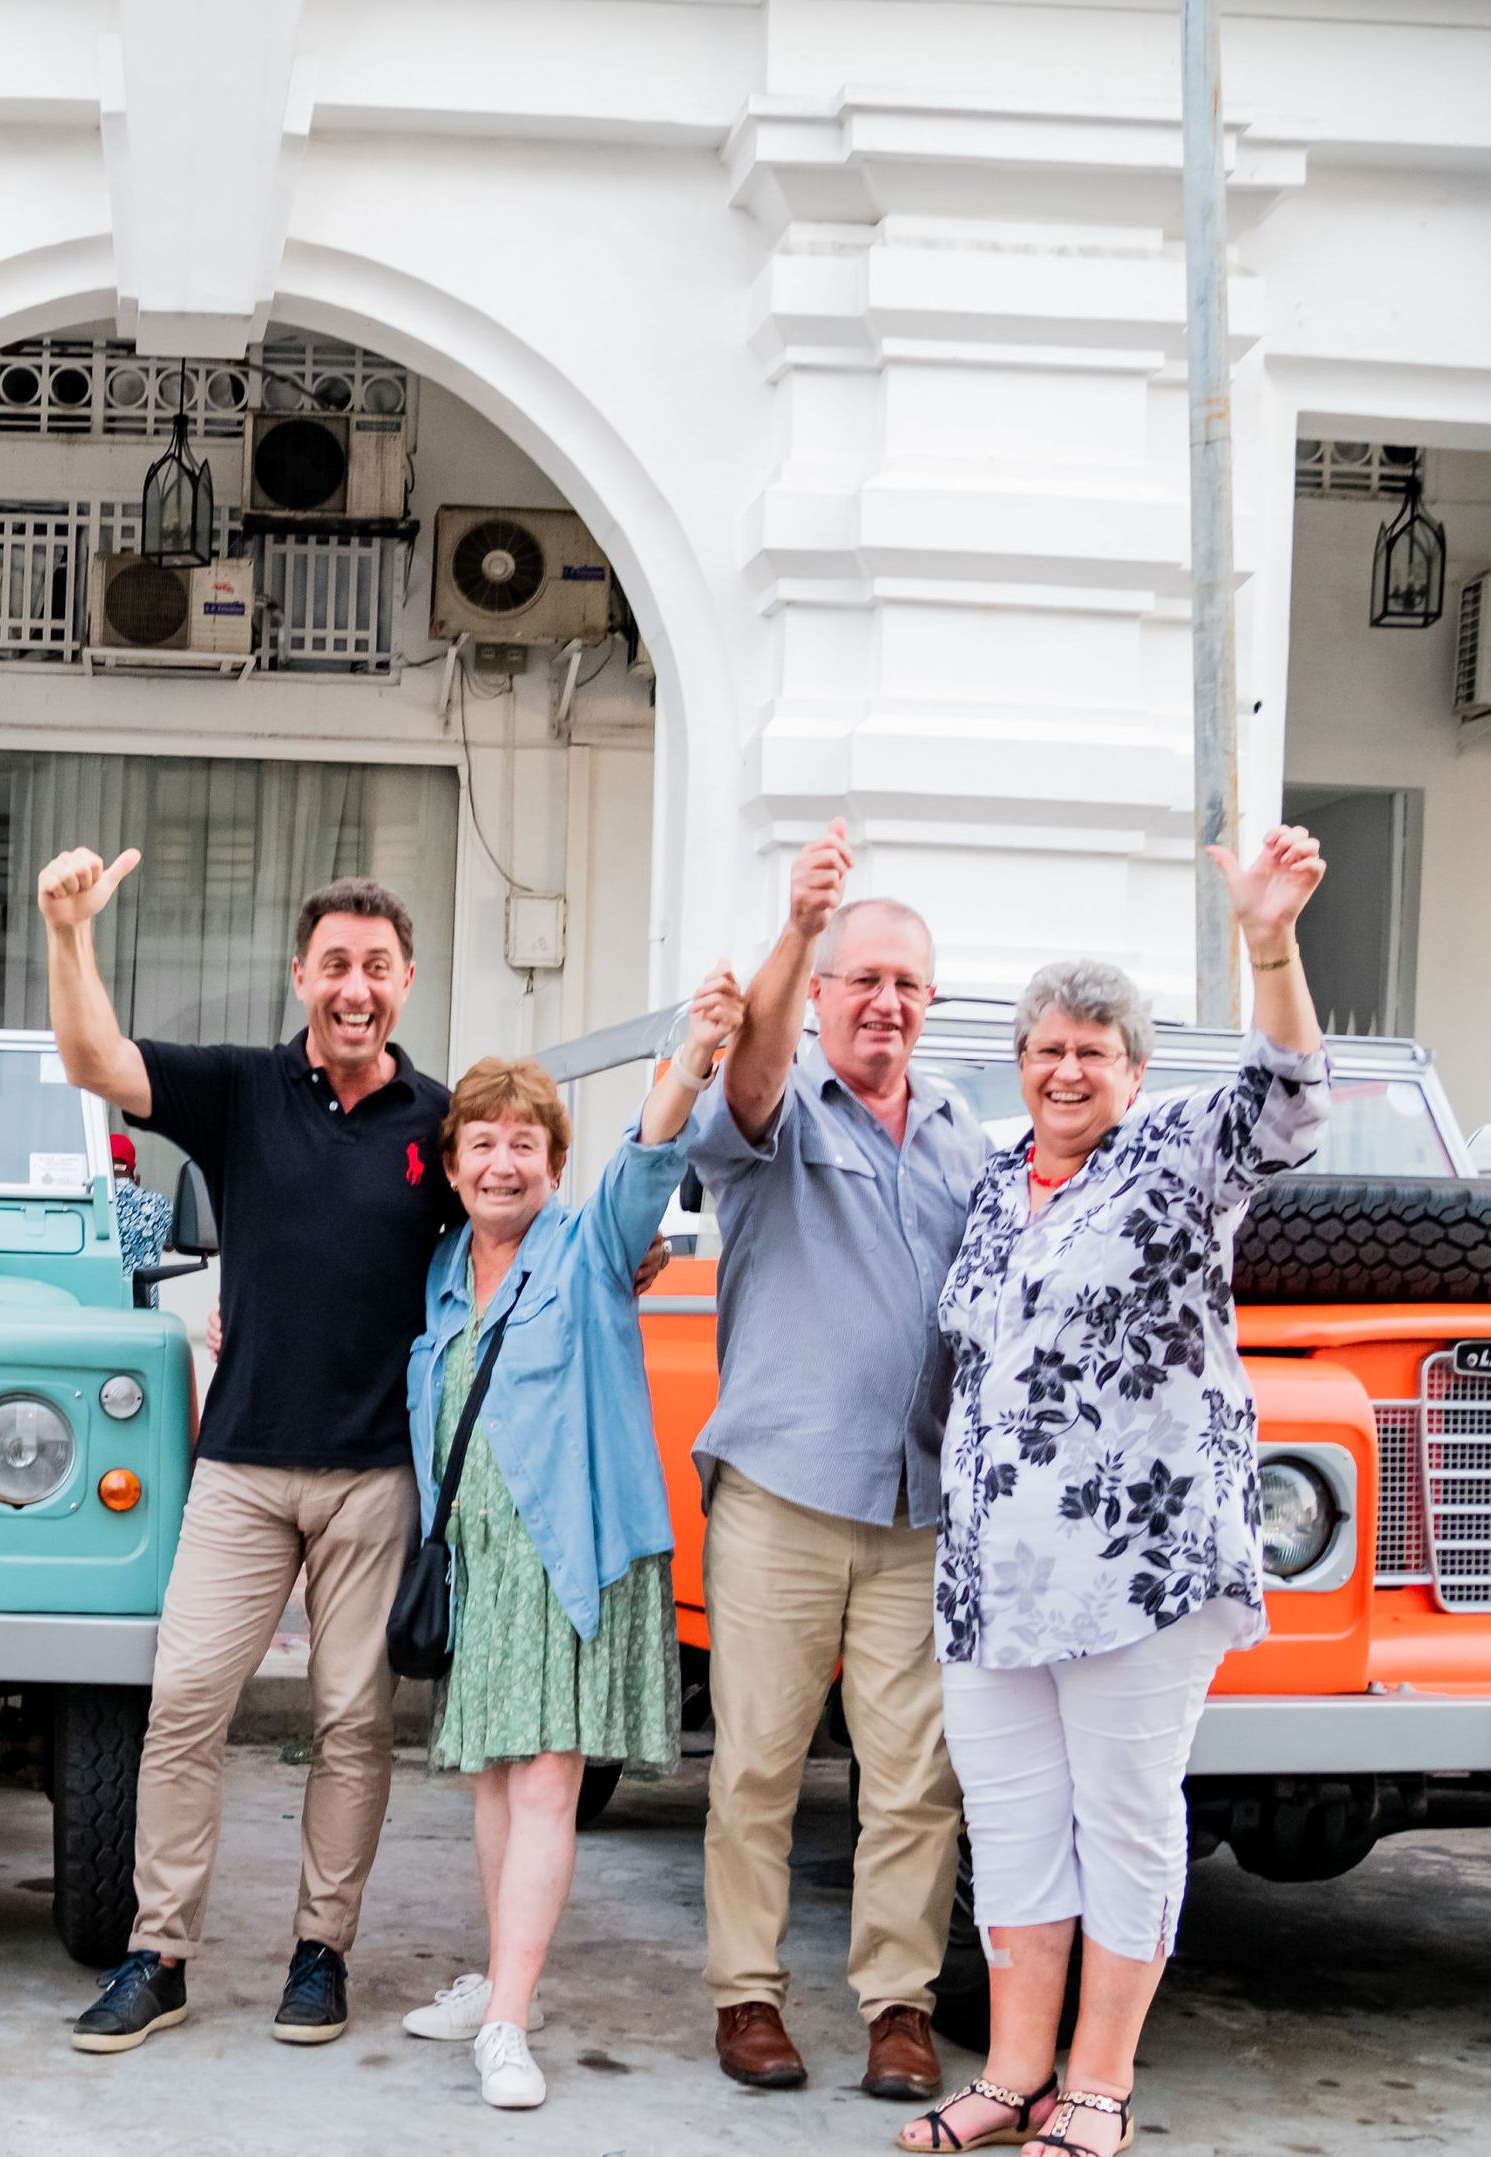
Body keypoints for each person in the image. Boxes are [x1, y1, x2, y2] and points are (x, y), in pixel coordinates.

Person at [899, 831, 1330, 2157]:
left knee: (1125, 1825)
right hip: (992, 1577)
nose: (1067, 1068)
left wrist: (1268, 939)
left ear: (1134, 1071)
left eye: (1094, 1048)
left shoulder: (1174, 1165)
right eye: (1046, 1048)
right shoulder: (988, 1187)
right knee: (1016, 1827)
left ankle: (1098, 2082)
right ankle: (1014, 2071)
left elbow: (1286, 1096)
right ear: (1018, 1067)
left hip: (1140, 1571)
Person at [42, 852, 457, 2055]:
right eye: (335, 964)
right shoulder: (238, 1090)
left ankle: (320, 1954)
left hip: (376, 1472)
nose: (354, 986)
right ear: (301, 976)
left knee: (351, 1723)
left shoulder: (436, 1122)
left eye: (376, 967)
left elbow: (508, 1212)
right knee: (182, 1708)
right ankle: (156, 1954)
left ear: (406, 982)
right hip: (240, 1469)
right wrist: (70, 934)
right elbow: (94, 1061)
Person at [395, 964, 742, 2110]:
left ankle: (505, 2021)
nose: (502, 1163)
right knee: (495, 1782)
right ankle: (508, 1981)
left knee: (544, 1784)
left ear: (551, 1163)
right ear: (452, 1169)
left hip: (569, 1556)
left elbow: (645, 1160)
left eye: (524, 1145)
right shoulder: (443, 1277)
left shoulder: (590, 1250)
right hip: (481, 1565)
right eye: (480, 1145)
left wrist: (689, 1060)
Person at [689, 818, 986, 2102]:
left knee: (912, 1778)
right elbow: (745, 1082)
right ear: (817, 1000)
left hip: (917, 1507)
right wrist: (799, 919)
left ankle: (896, 2009)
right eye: (860, 980)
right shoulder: (770, 1104)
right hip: (783, 1494)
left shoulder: (968, 1136)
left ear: (929, 1004)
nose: (884, 1003)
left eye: (905, 984)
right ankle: (746, 1997)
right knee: (756, 1760)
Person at [108, 1131, 173, 1305]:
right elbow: (171, 1242)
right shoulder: (158, 1205)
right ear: (132, 1168)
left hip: (96, 1315)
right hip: (143, 1315)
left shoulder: (86, 1202)